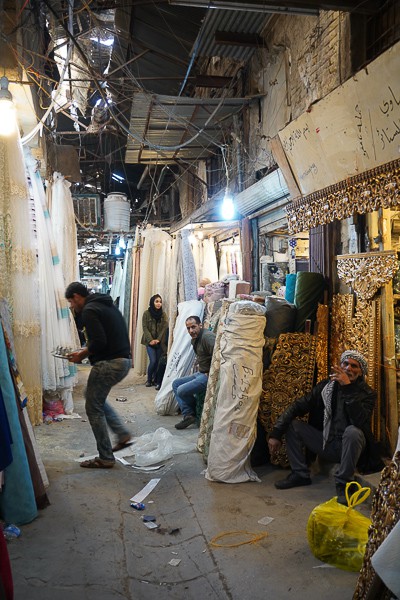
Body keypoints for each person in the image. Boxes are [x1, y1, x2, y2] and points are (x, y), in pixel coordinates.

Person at [268, 350, 379, 505]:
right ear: (340, 366)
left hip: (351, 449)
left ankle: (343, 483)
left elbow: (360, 420)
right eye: (345, 364)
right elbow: (298, 405)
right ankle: (300, 474)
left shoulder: (368, 393)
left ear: (361, 373)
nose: (348, 368)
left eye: (354, 366)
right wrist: (276, 433)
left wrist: (347, 387)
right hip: (328, 443)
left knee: (353, 431)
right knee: (293, 426)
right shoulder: (327, 387)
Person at [65, 281, 132, 469]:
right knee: (94, 398)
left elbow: (99, 341)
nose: (71, 306)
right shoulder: (105, 304)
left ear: (77, 297)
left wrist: (82, 354)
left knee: (93, 407)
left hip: (108, 363)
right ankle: (122, 434)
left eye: (71, 302)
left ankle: (106, 457)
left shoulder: (90, 310)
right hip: (124, 361)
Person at [172, 315, 216, 430]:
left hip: (209, 376)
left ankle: (194, 412)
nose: (191, 331)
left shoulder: (207, 337)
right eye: (188, 328)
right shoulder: (195, 339)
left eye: (193, 327)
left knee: (181, 390)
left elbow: (219, 357)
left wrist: (211, 373)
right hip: (201, 373)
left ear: (200, 325)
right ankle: (189, 415)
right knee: (176, 384)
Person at [141, 294, 169, 390]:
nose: (159, 304)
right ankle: (149, 379)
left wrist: (158, 339)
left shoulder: (163, 315)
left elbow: (164, 328)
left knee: (158, 362)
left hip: (159, 342)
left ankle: (155, 379)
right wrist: (151, 340)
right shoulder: (146, 313)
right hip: (149, 342)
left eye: (160, 302)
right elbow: (144, 327)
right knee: (153, 361)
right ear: (152, 302)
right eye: (156, 301)